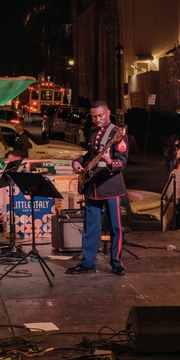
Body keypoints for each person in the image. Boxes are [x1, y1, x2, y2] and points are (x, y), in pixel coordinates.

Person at [68, 101, 128, 276]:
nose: (97, 119)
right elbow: (90, 154)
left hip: (110, 187)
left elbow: (122, 161)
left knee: (115, 227)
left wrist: (110, 162)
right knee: (90, 227)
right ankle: (88, 262)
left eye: (100, 115)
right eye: (94, 116)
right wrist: (78, 162)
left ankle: (117, 262)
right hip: (92, 186)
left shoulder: (118, 133)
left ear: (108, 113)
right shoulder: (93, 131)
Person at [167, 157, 180, 230]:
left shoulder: (175, 172)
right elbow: (176, 186)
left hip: (176, 196)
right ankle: (178, 227)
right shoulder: (178, 174)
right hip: (177, 196)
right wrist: (175, 197)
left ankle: (176, 226)